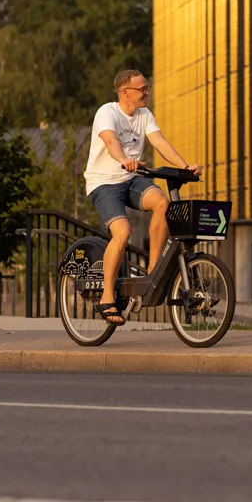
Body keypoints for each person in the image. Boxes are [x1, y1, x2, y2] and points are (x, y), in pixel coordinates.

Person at [84, 70, 198, 324]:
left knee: (162, 203)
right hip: (104, 182)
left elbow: (160, 142)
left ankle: (152, 272)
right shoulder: (107, 112)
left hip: (131, 179)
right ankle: (106, 297)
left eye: (147, 88)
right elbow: (111, 141)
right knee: (122, 232)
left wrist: (185, 166)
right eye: (142, 89)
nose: (147, 92)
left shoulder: (144, 114)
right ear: (125, 92)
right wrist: (124, 159)